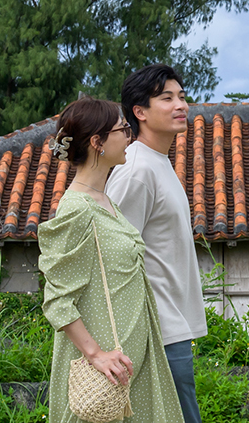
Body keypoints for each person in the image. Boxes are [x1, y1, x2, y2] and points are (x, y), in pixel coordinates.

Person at [40, 97, 183, 422]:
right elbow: (58, 300)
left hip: (131, 355)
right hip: (108, 362)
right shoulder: (76, 209)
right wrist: (96, 355)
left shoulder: (104, 201)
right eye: (122, 130)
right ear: (97, 143)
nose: (129, 137)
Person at [107, 64, 206, 423]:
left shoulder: (158, 163)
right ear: (140, 111)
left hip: (171, 325)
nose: (181, 105)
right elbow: (112, 252)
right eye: (167, 98)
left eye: (182, 96)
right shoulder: (136, 168)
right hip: (156, 328)